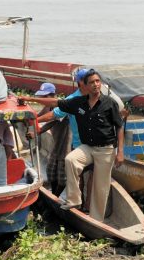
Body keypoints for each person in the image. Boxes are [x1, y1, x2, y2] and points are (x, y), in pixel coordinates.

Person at [22, 69, 124, 222]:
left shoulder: (109, 103)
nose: (95, 85)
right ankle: (75, 200)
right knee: (71, 161)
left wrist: (120, 152)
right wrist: (30, 101)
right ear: (84, 85)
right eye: (91, 82)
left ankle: (96, 220)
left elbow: (119, 125)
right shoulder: (77, 101)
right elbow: (55, 105)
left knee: (99, 186)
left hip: (105, 149)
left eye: (97, 82)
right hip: (85, 146)